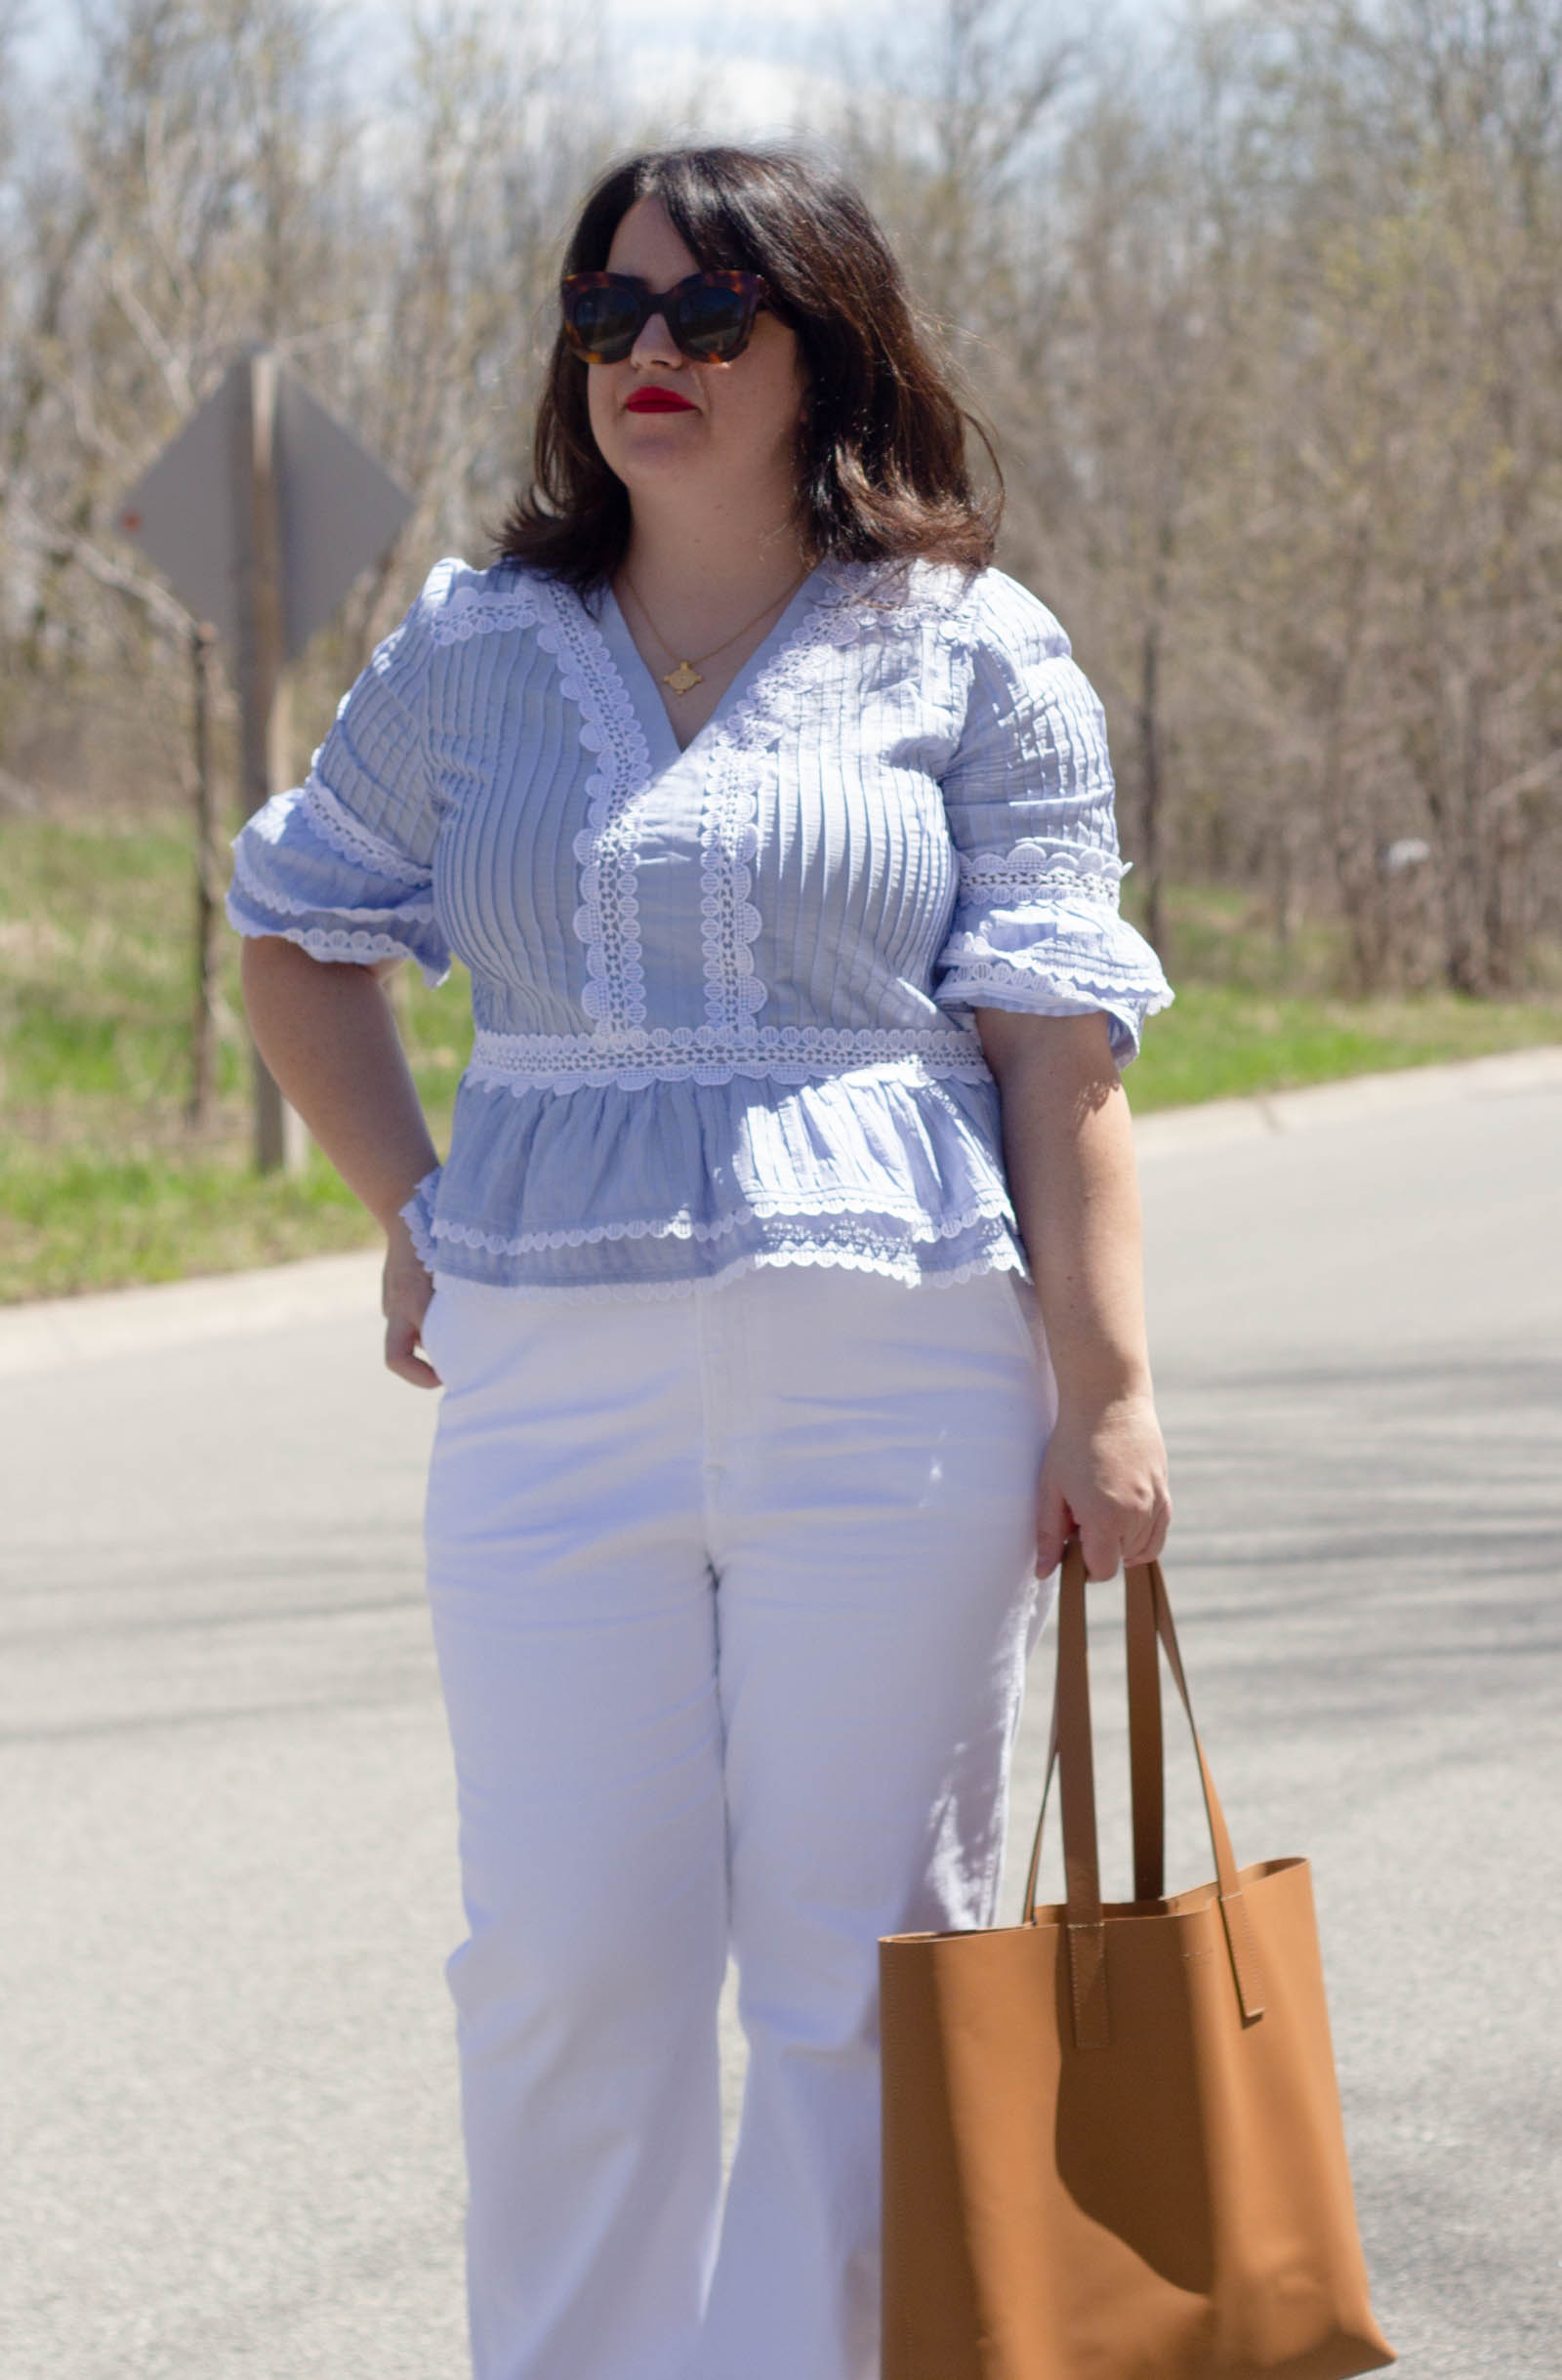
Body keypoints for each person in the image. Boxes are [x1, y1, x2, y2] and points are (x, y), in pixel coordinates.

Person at [229, 143, 1173, 2380]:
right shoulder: (474, 647)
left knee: (864, 1968)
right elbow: (297, 935)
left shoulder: (968, 644)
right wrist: (419, 1211)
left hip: (901, 1384)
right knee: (565, 1958)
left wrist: (1107, 1389)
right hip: (550, 1386)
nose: (646, 355)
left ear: (820, 342)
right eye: (607, 314)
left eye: (705, 312)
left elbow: (1058, 1052)